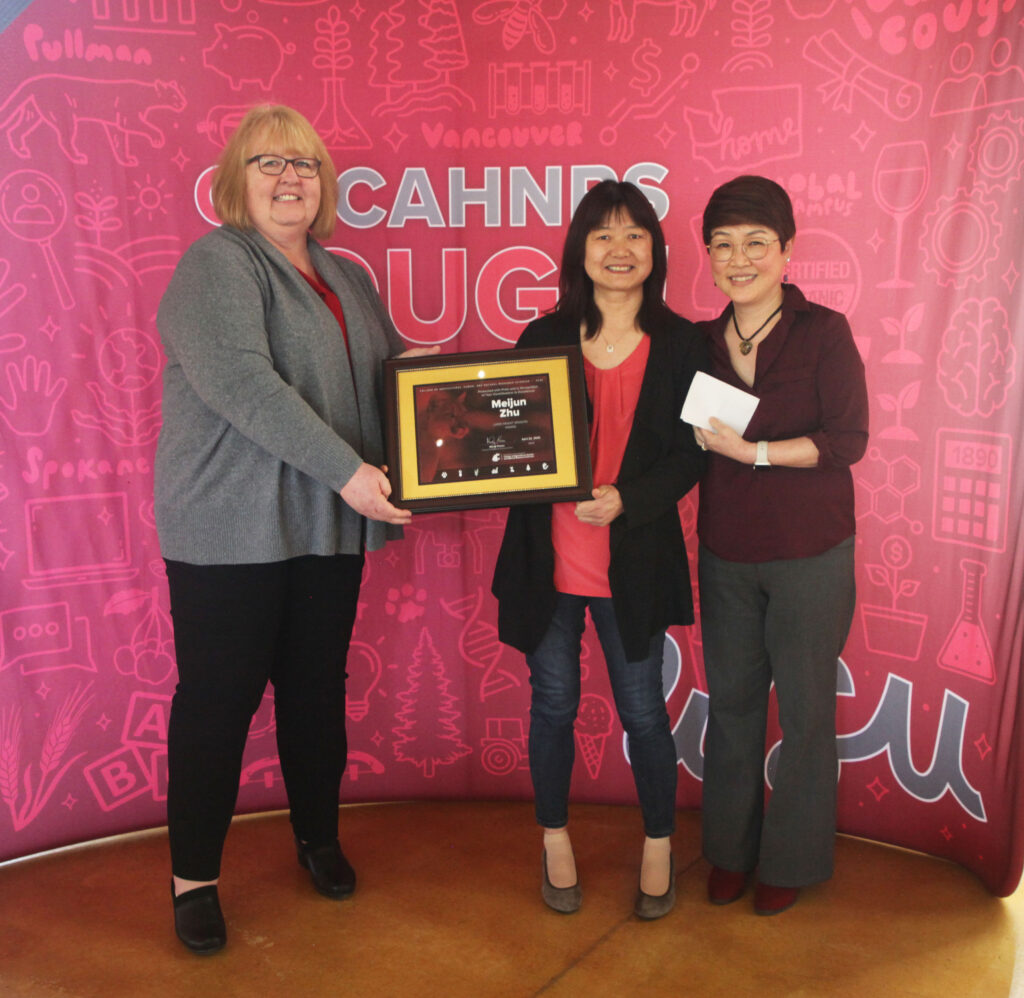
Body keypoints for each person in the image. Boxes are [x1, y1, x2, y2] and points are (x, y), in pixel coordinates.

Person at [155, 104, 434, 954]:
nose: (289, 179)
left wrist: (485, 398)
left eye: (305, 164)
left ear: (325, 183)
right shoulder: (215, 263)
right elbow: (243, 384)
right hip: (229, 525)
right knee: (219, 702)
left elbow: (393, 376)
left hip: (324, 522)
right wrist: (354, 473)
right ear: (236, 180)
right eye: (270, 163)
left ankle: (317, 838)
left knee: (315, 692)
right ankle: (193, 879)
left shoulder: (346, 275)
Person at [492, 180, 707, 919]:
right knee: (552, 704)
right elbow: (500, 445)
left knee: (644, 714)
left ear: (656, 250)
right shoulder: (538, 338)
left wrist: (629, 499)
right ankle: (554, 838)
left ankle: (657, 841)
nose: (620, 250)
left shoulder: (688, 343)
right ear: (580, 250)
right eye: (603, 235)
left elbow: (695, 456)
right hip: (548, 561)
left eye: (636, 235)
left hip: (634, 563)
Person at [693, 175, 868, 916]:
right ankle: (730, 851)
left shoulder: (825, 332)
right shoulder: (697, 342)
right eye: (724, 245)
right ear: (707, 255)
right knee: (730, 705)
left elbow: (847, 441)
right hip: (726, 549)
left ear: (787, 252)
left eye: (757, 244)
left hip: (809, 551)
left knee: (803, 711)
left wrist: (756, 454)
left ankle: (789, 858)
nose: (740, 259)